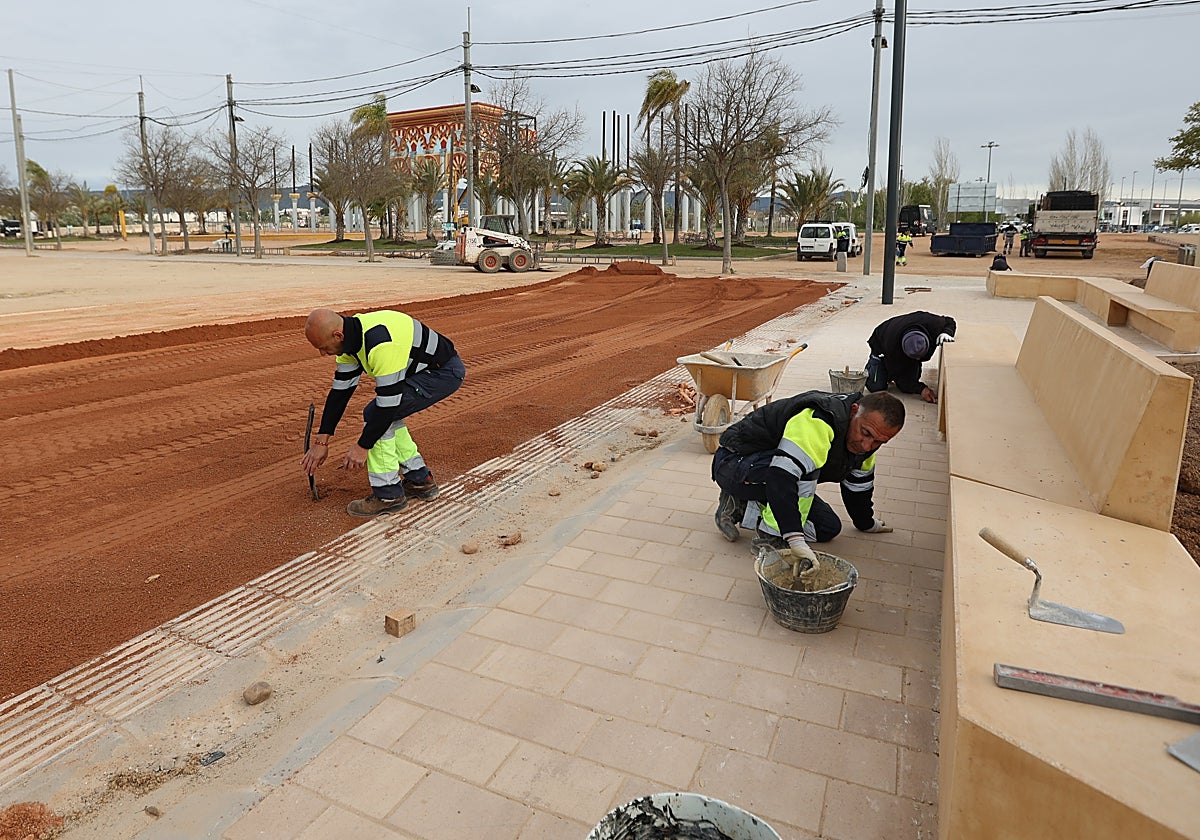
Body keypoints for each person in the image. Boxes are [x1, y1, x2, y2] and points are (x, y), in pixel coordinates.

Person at [301, 308, 466, 517]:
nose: (322, 353)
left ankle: (388, 495)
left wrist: (363, 447)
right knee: (382, 415)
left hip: (442, 373)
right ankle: (420, 480)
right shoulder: (350, 342)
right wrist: (321, 441)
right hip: (424, 371)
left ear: (338, 335)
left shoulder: (381, 344)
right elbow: (340, 393)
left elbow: (387, 406)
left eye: (323, 348)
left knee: (376, 414)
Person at [712, 391, 905, 567]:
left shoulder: (867, 444)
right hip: (735, 463)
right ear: (854, 411)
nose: (867, 445)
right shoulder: (820, 420)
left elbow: (859, 488)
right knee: (800, 469)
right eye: (866, 433)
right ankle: (768, 537)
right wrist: (794, 540)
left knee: (828, 528)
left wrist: (866, 523)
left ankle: (740, 506)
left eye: (879, 441)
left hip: (772, 472)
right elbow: (782, 476)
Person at [864, 311, 957, 404]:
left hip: (900, 335)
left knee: (912, 380)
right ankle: (877, 363)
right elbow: (902, 381)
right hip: (881, 343)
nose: (918, 360)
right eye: (915, 357)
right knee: (876, 387)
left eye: (920, 356)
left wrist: (947, 333)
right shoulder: (892, 348)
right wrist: (921, 389)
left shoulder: (932, 323)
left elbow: (950, 321)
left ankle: (889, 373)